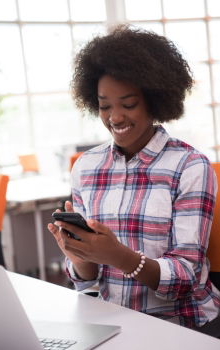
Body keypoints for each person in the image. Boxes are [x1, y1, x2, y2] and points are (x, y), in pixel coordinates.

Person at [48, 25, 220, 328]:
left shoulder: (190, 167)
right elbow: (87, 280)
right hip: (113, 322)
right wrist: (79, 253)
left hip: (182, 324)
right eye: (104, 106)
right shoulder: (86, 167)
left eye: (128, 104)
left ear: (154, 100)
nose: (115, 117)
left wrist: (119, 256)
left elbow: (185, 278)